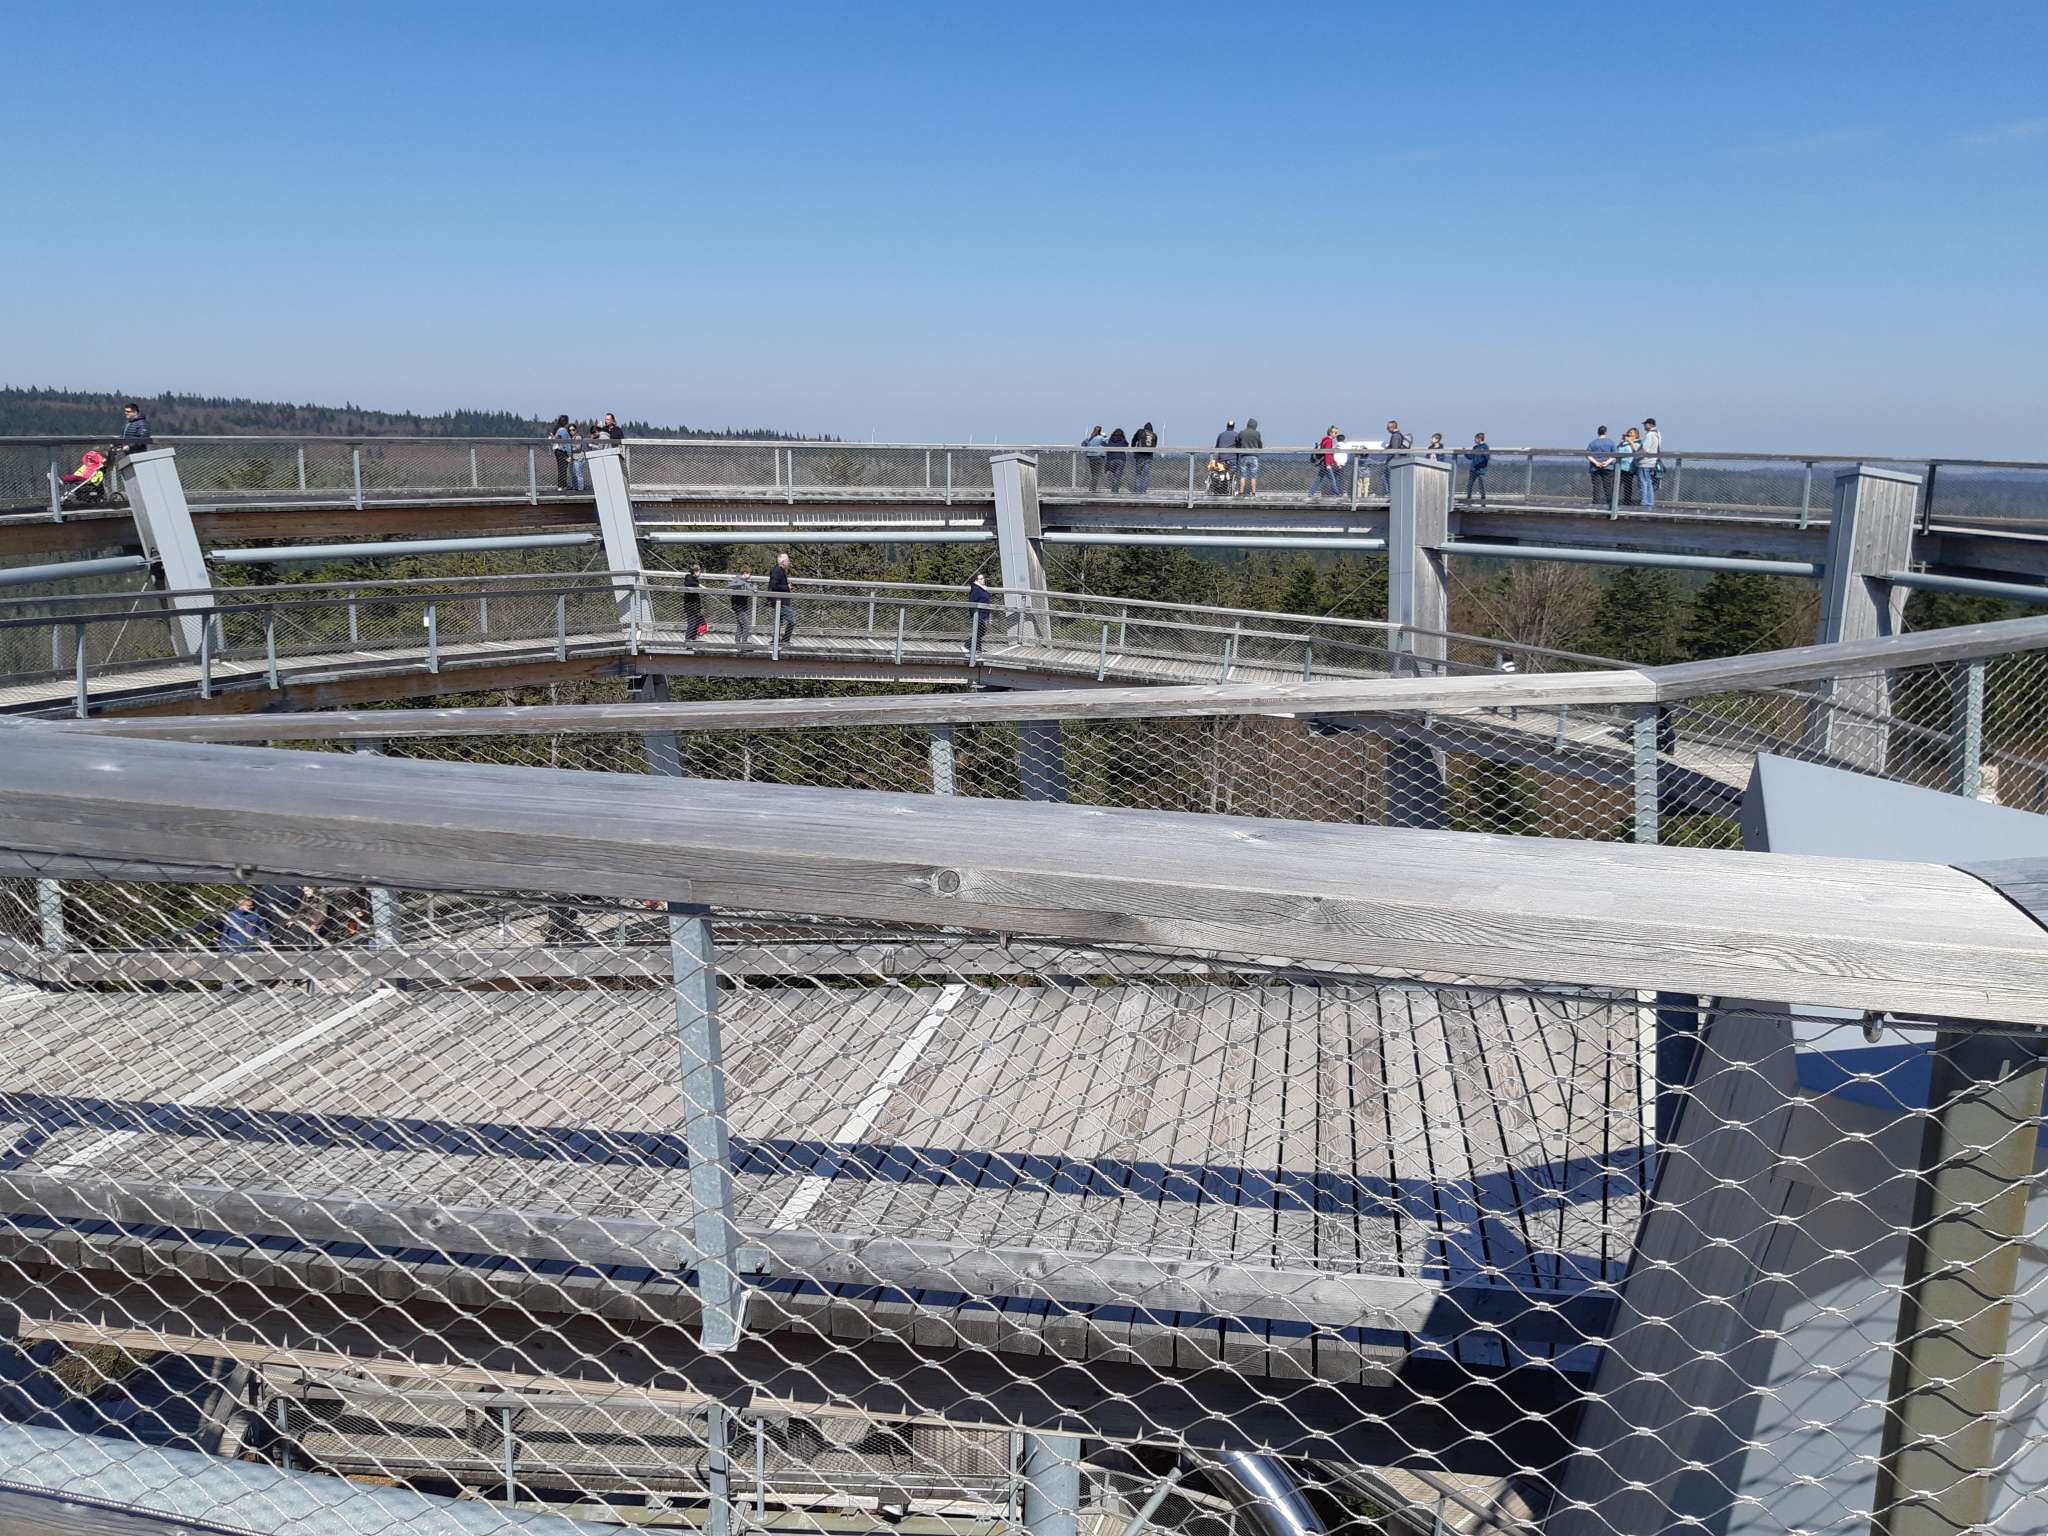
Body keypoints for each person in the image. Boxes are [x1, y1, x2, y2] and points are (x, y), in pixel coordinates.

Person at [767, 552, 796, 643]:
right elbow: (773, 585)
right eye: (788, 560)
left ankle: (775, 640)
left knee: (778, 621)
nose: (789, 562)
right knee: (792, 620)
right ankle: (784, 640)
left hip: (780, 601)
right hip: (780, 601)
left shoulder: (780, 570)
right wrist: (787, 587)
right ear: (783, 561)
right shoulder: (777, 571)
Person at [1586, 426, 1618, 506]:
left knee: (1596, 486)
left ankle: (1596, 503)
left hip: (1595, 467)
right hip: (1608, 467)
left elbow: (1588, 455)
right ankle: (1610, 503)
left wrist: (1596, 463)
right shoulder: (1610, 442)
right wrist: (1607, 462)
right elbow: (1615, 454)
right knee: (1608, 486)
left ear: (1598, 432)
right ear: (1605, 432)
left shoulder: (1593, 443)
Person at [1380, 420, 1412, 495]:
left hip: (1393, 461)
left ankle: (1389, 493)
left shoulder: (1395, 436)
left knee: (1385, 477)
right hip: (1397, 460)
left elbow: (1395, 449)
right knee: (1391, 478)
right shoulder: (1399, 434)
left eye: (1387, 427)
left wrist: (1390, 458)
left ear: (1391, 427)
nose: (1387, 429)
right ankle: (1392, 493)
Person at [729, 568, 757, 648]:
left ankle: (737, 642)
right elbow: (731, 585)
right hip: (738, 606)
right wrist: (747, 582)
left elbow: (752, 589)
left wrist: (749, 583)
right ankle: (744, 642)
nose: (750, 576)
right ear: (744, 573)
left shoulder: (745, 582)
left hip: (742, 606)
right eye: (749, 574)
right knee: (746, 625)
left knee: (740, 624)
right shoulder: (737, 579)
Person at [1638, 418, 1662, 509]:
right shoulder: (1658, 434)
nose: (1644, 426)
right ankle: (1650, 502)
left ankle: (1644, 501)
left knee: (1644, 482)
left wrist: (1636, 456)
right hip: (1653, 461)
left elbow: (1645, 449)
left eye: (1645, 424)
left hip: (1645, 461)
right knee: (1649, 482)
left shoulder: (1650, 434)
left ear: (1650, 425)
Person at [1312, 426, 1342, 497]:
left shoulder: (1325, 440)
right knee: (1332, 480)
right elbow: (1327, 453)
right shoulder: (1329, 441)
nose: (1336, 434)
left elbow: (1330, 454)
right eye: (1335, 433)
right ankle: (1337, 494)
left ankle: (1310, 493)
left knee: (1319, 479)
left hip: (1323, 463)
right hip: (1326, 464)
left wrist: (1336, 463)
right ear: (1331, 433)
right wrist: (1328, 464)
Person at [1236, 418, 1263, 496]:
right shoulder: (1257, 433)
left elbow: (1238, 443)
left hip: (1243, 456)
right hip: (1254, 456)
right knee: (1253, 476)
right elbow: (1260, 445)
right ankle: (1253, 493)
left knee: (1243, 476)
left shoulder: (1242, 433)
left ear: (1248, 424)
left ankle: (1241, 492)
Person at [1463, 433, 1491, 507]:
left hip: (1481, 470)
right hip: (1473, 469)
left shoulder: (1485, 447)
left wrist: (1483, 453)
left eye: (1475, 438)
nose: (1474, 440)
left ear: (1479, 438)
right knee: (1469, 485)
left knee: (1482, 486)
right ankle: (1468, 502)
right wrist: (1465, 453)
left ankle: (1483, 502)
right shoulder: (1475, 447)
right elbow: (1470, 457)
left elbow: (1488, 458)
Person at [967, 570, 992, 653]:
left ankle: (977, 648)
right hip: (977, 614)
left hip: (983, 614)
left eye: (983, 578)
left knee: (980, 631)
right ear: (976, 581)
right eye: (981, 579)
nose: (983, 580)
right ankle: (968, 646)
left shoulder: (982, 588)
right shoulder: (976, 589)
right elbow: (972, 602)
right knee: (980, 631)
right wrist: (974, 615)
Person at [1617, 426, 1642, 506]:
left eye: (1631, 433)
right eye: (1629, 432)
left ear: (1636, 435)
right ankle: (1614, 500)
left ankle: (1627, 501)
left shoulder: (1637, 442)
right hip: (1619, 466)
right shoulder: (1624, 443)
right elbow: (1617, 450)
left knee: (1627, 485)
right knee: (1616, 485)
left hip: (1629, 467)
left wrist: (1630, 441)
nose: (1629, 434)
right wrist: (1621, 442)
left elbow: (1636, 450)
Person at [1130, 422, 1157, 493]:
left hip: (1140, 455)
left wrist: (1133, 446)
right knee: (1146, 475)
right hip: (1149, 456)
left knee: (1138, 474)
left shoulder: (1140, 431)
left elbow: (1134, 439)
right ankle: (1143, 491)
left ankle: (1137, 490)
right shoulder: (1154, 435)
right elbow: (1155, 446)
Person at [682, 565, 706, 645]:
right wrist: (698, 585)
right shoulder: (688, 577)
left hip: (695, 606)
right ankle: (688, 641)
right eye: (699, 571)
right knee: (692, 623)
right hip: (690, 605)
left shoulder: (695, 579)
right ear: (695, 572)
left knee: (696, 623)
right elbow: (688, 583)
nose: (700, 573)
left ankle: (693, 639)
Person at [1215, 420, 1239, 494]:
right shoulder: (1236, 435)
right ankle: (1233, 487)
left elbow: (1217, 446)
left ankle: (1221, 488)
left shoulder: (1221, 435)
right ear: (1234, 426)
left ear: (1226, 426)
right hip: (1232, 458)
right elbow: (1239, 446)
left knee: (1221, 472)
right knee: (1233, 472)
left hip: (1222, 458)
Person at [550, 415, 574, 490]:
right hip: (563, 451)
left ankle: (561, 485)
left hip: (557, 451)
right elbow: (566, 443)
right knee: (563, 469)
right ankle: (562, 485)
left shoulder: (557, 429)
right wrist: (569, 455)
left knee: (561, 468)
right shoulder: (563, 430)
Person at [1082, 426, 1107, 492]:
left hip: (1091, 457)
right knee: (1097, 474)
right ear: (1100, 431)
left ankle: (1091, 488)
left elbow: (1083, 444)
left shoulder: (1089, 437)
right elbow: (1107, 443)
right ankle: (1093, 488)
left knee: (1093, 474)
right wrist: (1104, 436)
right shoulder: (1101, 438)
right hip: (1099, 457)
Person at [1105, 427, 1129, 493]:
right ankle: (1115, 491)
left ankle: (1113, 489)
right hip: (1121, 459)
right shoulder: (1123, 440)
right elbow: (1127, 445)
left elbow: (1108, 448)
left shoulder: (1110, 440)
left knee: (1113, 475)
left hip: (1111, 459)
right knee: (1117, 476)